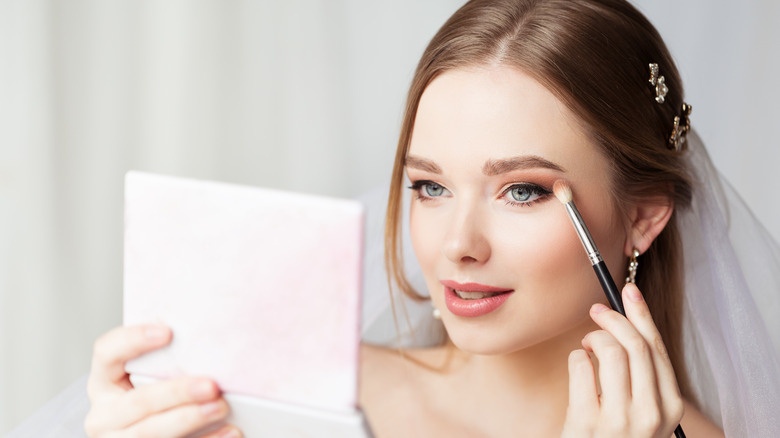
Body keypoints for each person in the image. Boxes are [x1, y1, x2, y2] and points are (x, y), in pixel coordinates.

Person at [77, 0, 779, 437]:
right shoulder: (300, 399)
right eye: (430, 187)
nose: (457, 246)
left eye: (523, 191)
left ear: (643, 219)